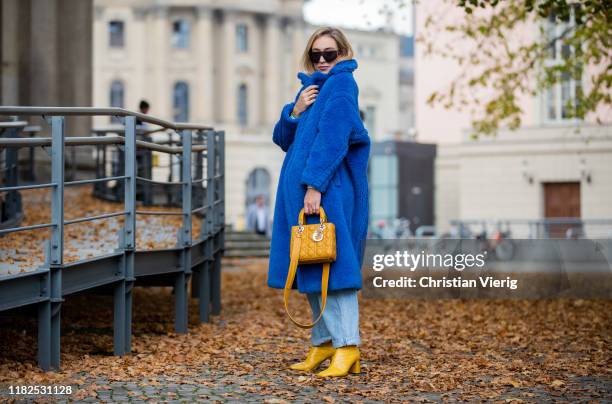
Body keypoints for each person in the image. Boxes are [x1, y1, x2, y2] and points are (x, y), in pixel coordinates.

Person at [267, 27, 371, 378]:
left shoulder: (342, 84)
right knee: (313, 264)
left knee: (335, 270)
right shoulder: (310, 90)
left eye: (330, 53)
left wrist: (315, 186)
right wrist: (294, 110)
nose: (323, 60)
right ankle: (323, 343)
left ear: (343, 53)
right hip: (302, 197)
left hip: (329, 193)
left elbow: (334, 138)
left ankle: (347, 347)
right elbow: (284, 140)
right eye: (316, 55)